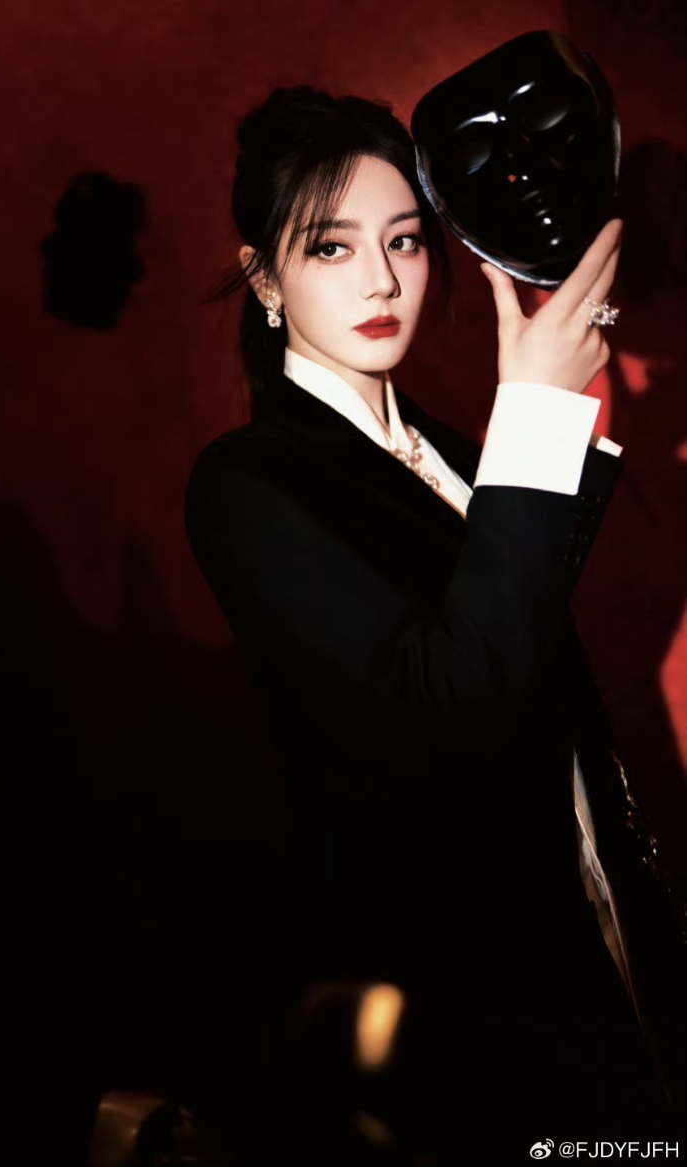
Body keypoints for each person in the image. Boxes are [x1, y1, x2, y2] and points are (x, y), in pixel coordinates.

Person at [184, 85, 678, 1159]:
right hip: (461, 986)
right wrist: (538, 414)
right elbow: (445, 712)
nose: (381, 279)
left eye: (404, 240)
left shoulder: (453, 451)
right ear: (263, 279)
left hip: (592, 903)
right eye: (330, 247)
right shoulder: (248, 483)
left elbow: (529, 652)